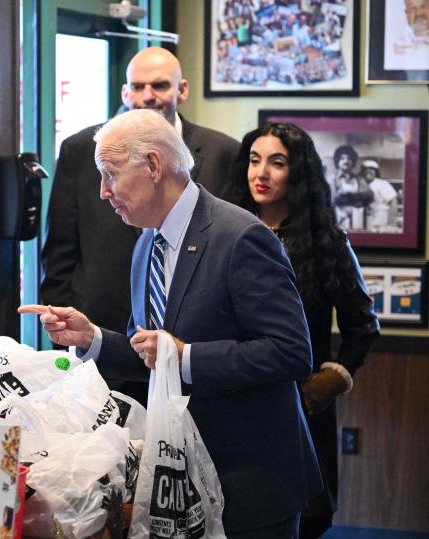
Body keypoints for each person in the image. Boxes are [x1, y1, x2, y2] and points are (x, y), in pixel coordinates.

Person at [21, 109, 322, 538]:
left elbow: (291, 353)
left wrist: (188, 357)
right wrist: (93, 339)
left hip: (249, 480)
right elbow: (151, 350)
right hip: (181, 480)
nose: (103, 192)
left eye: (109, 174)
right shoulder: (147, 241)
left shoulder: (240, 237)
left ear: (154, 166)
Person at [41, 47, 239, 402]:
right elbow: (60, 251)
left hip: (202, 364)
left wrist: (188, 354)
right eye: (138, 86)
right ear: (124, 92)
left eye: (160, 85)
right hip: (109, 344)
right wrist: (79, 332)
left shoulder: (224, 153)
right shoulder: (83, 149)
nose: (148, 95)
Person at [224, 122, 380, 538]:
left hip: (299, 408)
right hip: (229, 402)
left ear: (299, 173)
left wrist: (334, 378)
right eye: (254, 161)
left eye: (277, 163)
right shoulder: (222, 235)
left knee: (302, 520)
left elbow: (362, 326)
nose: (261, 173)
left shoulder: (328, 240)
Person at [330, 145, 372, 230]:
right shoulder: (332, 179)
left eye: (349, 158)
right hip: (339, 219)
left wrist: (346, 196)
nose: (346, 161)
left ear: (353, 161)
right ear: (337, 161)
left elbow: (369, 195)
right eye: (342, 158)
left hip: (358, 219)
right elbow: (333, 199)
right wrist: (357, 198)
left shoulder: (359, 179)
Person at [361, 159, 399, 232]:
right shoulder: (360, 184)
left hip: (381, 223)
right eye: (365, 169)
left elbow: (393, 202)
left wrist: (392, 223)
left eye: (371, 169)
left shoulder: (382, 184)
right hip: (365, 223)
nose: (368, 171)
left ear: (376, 172)